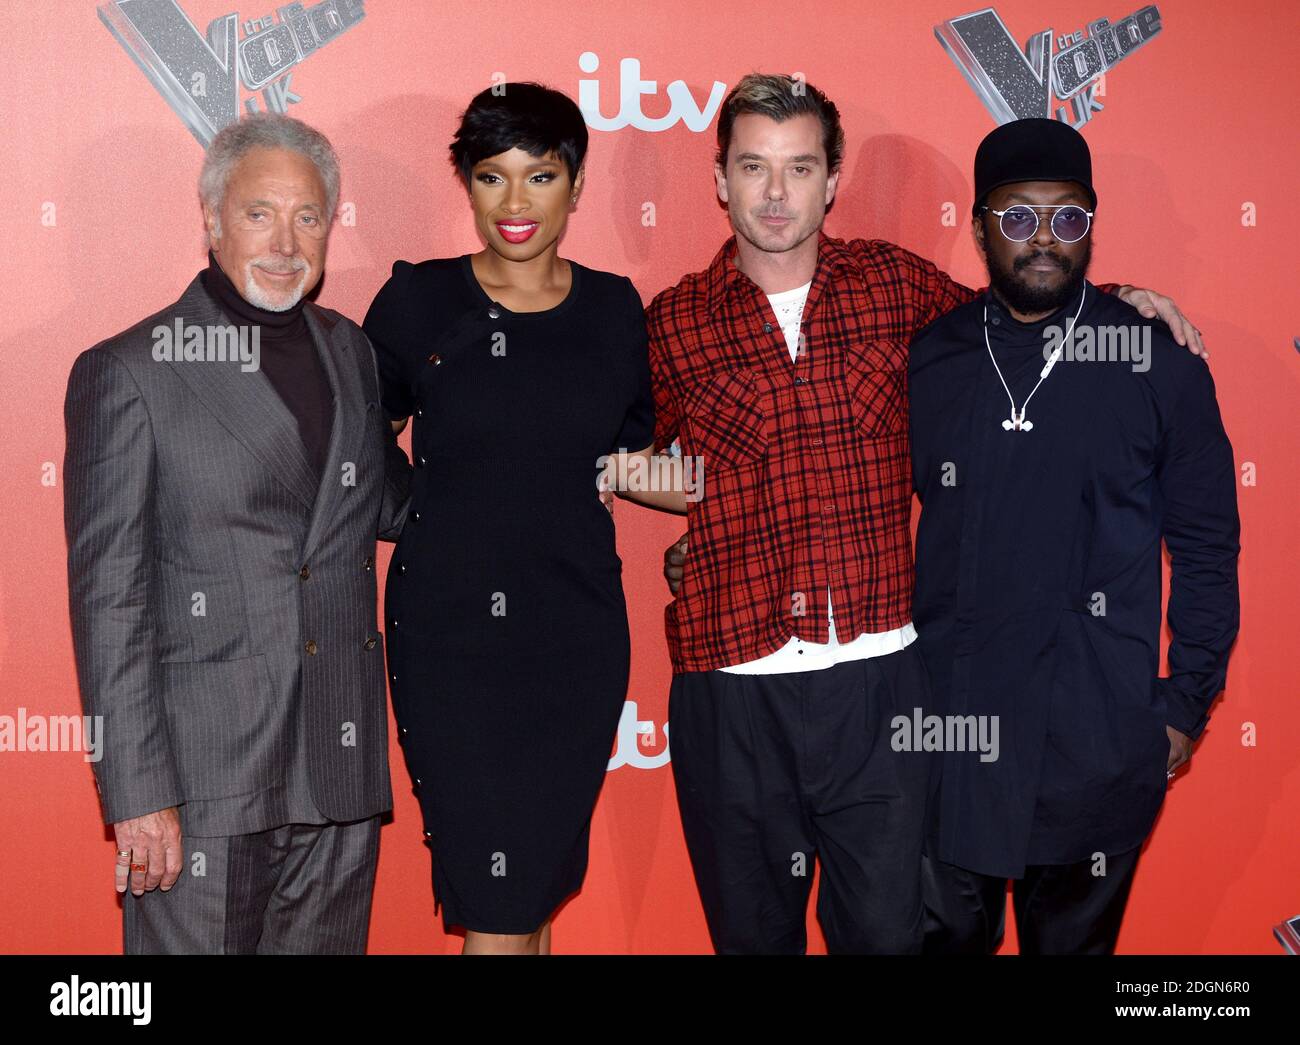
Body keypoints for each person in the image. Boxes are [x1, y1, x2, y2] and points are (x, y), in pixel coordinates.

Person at [653, 74, 1204, 954]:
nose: (774, 192)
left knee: (888, 940)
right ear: (718, 178)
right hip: (731, 686)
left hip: (880, 685)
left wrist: (1128, 305)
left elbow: (1026, 308)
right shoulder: (671, 324)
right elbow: (611, 452)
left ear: (832, 180)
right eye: (752, 166)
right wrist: (703, 513)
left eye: (799, 168)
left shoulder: (899, 290)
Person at [63, 112, 412, 954]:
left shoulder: (352, 353)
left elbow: (391, 506)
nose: (286, 242)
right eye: (260, 213)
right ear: (213, 218)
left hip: (337, 768)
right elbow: (110, 599)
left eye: (308, 216)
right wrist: (139, 792)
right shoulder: (131, 370)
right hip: (202, 781)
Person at [362, 83, 684, 956]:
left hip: (574, 638)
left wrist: (729, 492)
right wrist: (430, 515)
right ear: (465, 185)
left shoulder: (616, 310)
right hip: (453, 641)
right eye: (492, 177)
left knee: (532, 896)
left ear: (576, 186)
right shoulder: (418, 303)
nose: (515, 204)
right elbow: (358, 449)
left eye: (540, 177)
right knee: (500, 905)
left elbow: (627, 461)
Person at [909, 118, 1239, 954]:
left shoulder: (1160, 366)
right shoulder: (929, 359)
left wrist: (1185, 703)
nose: (1045, 239)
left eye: (1068, 218)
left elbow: (1207, 548)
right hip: (950, 738)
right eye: (1019, 218)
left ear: (1092, 222)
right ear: (981, 221)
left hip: (1095, 745)